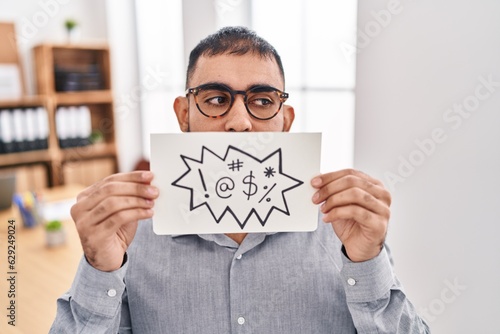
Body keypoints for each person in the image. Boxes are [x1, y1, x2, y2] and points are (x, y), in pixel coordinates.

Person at [50, 26, 430, 333]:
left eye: (262, 101)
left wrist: (367, 263)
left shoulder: (341, 228)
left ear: (286, 121)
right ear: (184, 116)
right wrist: (100, 269)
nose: (240, 122)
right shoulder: (132, 235)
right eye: (216, 99)